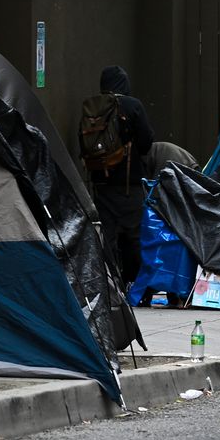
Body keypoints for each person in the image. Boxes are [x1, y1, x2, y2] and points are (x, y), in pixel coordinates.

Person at [82, 66, 154, 283]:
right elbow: (146, 142)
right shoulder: (132, 105)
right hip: (128, 184)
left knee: (107, 236)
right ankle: (137, 283)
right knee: (135, 235)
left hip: (100, 183)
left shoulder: (92, 106)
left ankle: (110, 283)